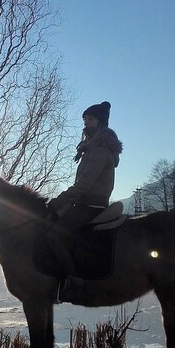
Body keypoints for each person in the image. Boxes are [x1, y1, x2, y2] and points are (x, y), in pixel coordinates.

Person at [46, 101, 123, 294]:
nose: (86, 122)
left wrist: (58, 201)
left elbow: (84, 185)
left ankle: (73, 279)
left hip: (90, 205)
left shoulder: (99, 151)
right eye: (85, 119)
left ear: (101, 122)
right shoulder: (92, 149)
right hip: (84, 202)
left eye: (90, 119)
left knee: (54, 235)